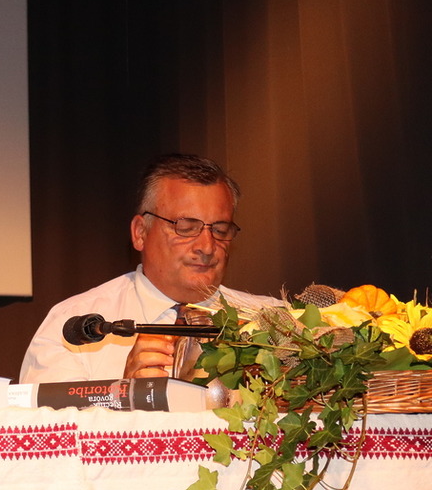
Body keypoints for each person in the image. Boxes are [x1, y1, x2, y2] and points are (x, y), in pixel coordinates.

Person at [20, 153, 276, 383]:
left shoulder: (275, 325)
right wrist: (123, 397)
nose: (207, 247)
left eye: (220, 230)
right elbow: (47, 420)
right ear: (140, 233)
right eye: (186, 228)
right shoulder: (76, 326)